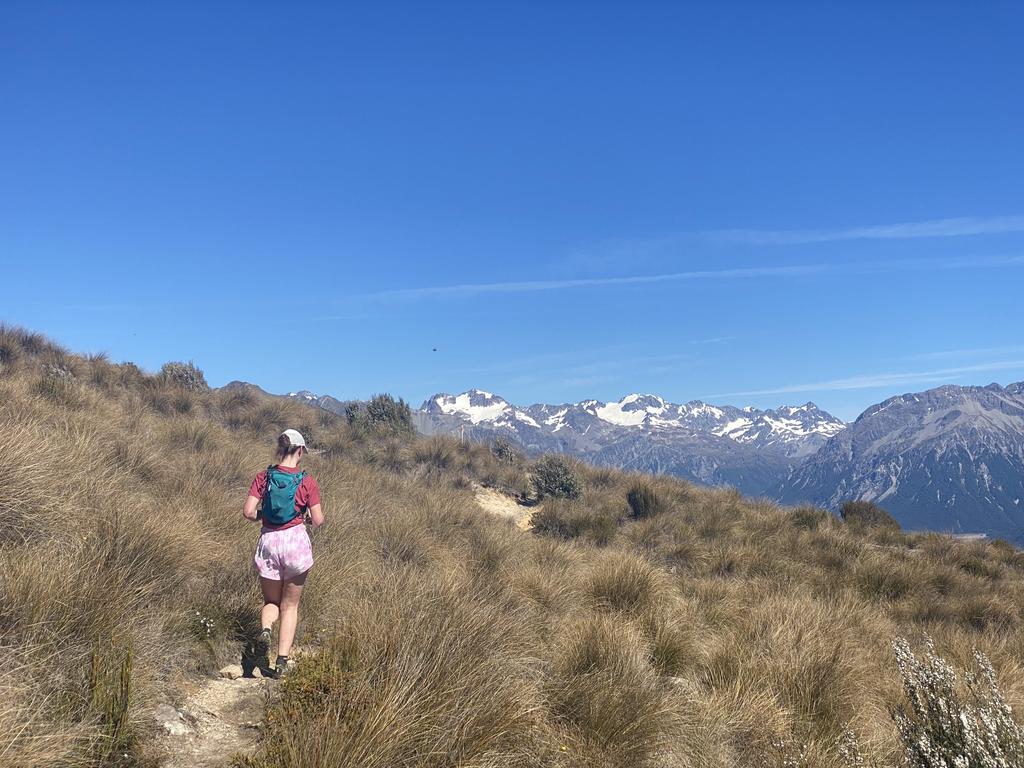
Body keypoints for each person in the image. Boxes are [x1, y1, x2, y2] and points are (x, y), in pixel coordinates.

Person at [242, 428, 324, 677]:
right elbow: (318, 520)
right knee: (290, 606)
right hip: (295, 543)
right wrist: (305, 518)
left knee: (271, 602)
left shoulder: (263, 477)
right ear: (299, 451)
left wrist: (264, 515)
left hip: (269, 542)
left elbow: (248, 512)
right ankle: (281, 663)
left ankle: (266, 630)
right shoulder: (307, 481)